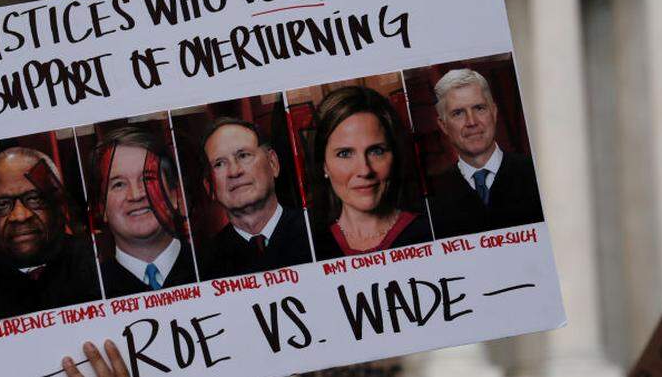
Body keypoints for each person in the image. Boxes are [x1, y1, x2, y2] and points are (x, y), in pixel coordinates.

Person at [0, 147, 101, 320]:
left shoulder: (101, 263)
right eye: (1, 204)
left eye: (34, 198)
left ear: (59, 204)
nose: (20, 216)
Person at [311, 86, 433, 260]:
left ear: (394, 155)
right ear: (324, 165)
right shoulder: (310, 247)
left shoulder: (431, 231)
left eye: (376, 151)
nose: (365, 170)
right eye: (345, 154)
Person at [427, 68, 544, 239]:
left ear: (494, 112)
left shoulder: (538, 173)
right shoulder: (433, 199)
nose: (472, 122)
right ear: (443, 125)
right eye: (458, 113)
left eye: (479, 108)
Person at [198, 117, 312, 279]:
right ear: (209, 187)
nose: (234, 171)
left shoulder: (318, 231)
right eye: (219, 164)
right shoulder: (203, 266)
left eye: (244, 155)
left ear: (273, 163)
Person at [91, 127, 197, 298]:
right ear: (102, 208)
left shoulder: (221, 267)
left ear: (174, 194)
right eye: (118, 184)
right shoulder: (88, 295)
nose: (136, 195)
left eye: (148, 179)